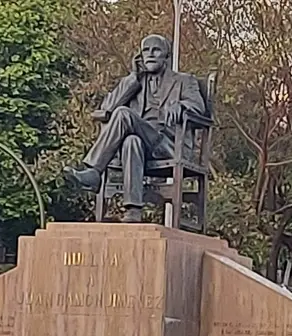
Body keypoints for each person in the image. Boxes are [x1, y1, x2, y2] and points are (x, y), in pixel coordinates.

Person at [62, 34, 205, 222]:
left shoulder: (184, 81)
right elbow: (107, 108)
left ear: (167, 57)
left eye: (156, 50)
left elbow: (199, 107)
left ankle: (94, 171)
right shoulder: (134, 82)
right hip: (143, 147)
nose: (151, 54)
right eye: (146, 50)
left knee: (123, 114)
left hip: (168, 145)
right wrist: (133, 78)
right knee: (131, 141)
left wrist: (181, 105)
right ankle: (133, 211)